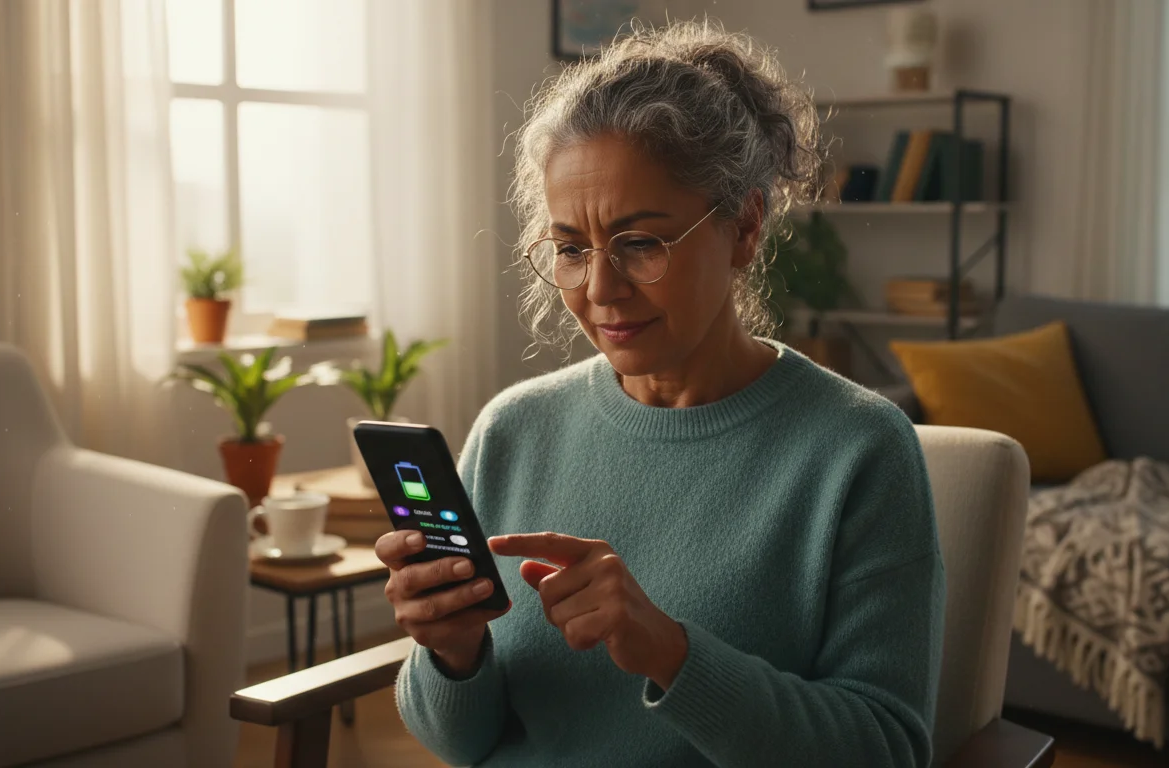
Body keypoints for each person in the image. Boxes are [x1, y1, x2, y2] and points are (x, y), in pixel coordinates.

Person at [373, 18, 945, 768]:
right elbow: (462, 742)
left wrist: (672, 654)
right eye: (571, 249)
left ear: (744, 227)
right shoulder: (514, 430)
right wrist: (452, 652)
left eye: (640, 243)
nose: (600, 289)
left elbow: (887, 750)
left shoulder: (857, 451)